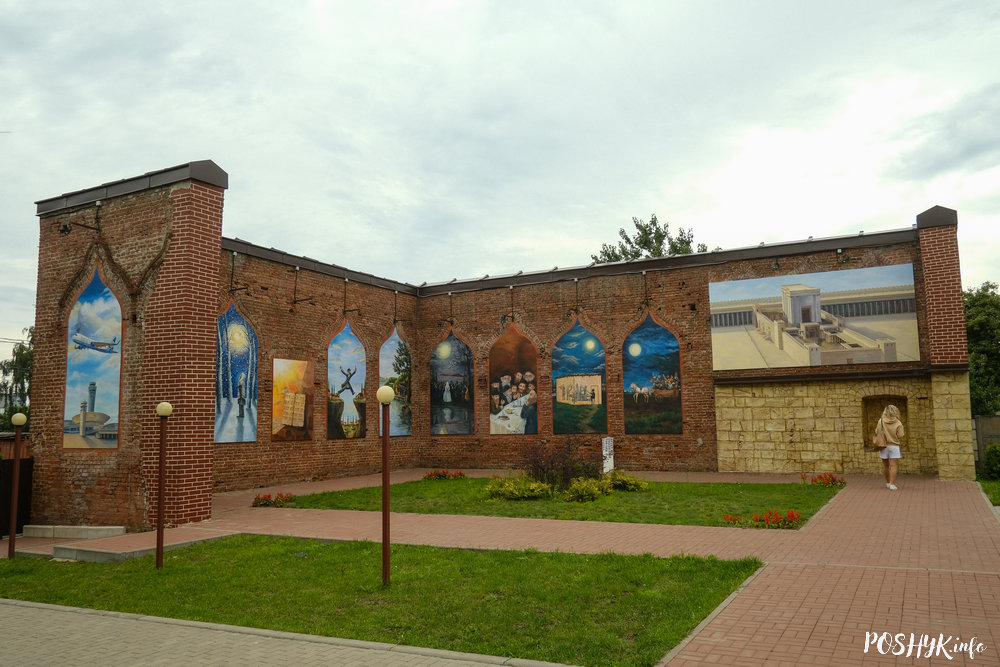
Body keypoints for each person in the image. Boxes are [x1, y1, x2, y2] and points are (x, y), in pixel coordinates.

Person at [875, 404, 905, 490]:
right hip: (894, 446)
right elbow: (900, 435)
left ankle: (888, 482)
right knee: (893, 465)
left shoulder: (881, 421)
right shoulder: (898, 422)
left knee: (885, 465)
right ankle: (892, 484)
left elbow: (876, 431)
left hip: (883, 445)